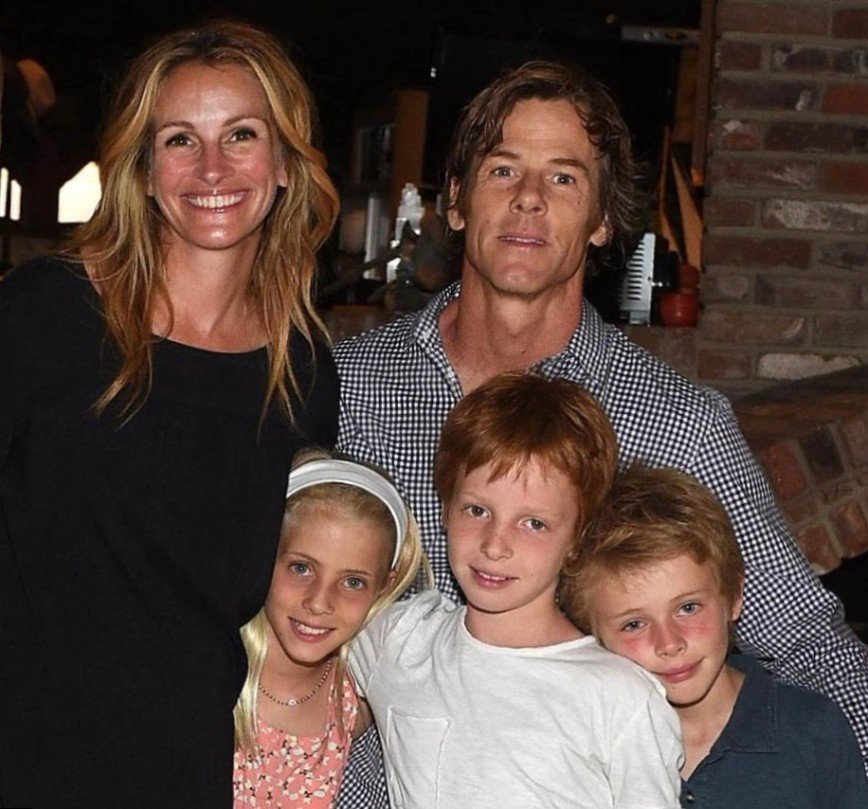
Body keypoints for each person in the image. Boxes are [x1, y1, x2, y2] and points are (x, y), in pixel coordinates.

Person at [333, 60, 868, 804]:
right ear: (454, 201)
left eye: (562, 177)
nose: (527, 198)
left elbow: (805, 640)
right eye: (502, 170)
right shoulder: (350, 387)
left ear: (602, 219)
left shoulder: (677, 423)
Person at [0, 19, 340, 808]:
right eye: (180, 139)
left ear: (284, 164)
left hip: (182, 775)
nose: (212, 167)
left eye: (241, 135)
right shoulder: (46, 315)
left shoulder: (301, 373)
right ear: (146, 172)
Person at [349, 372, 683, 808]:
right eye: (477, 510)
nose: (495, 545)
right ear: (445, 508)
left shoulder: (619, 698)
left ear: (577, 538)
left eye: (533, 523)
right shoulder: (399, 640)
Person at [561, 464, 868, 807]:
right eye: (634, 624)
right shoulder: (586, 758)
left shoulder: (813, 732)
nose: (669, 643)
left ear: (733, 597)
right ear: (593, 638)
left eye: (688, 608)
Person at [233, 450, 426, 807]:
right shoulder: (215, 668)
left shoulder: (354, 699)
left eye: (352, 582)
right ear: (265, 555)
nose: (319, 602)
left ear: (384, 585)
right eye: (301, 568)